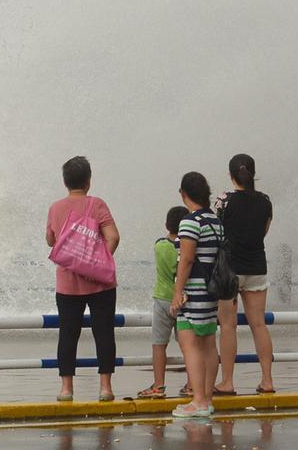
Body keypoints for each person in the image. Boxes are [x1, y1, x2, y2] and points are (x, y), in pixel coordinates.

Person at [45, 156, 120, 402]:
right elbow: (113, 237)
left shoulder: (55, 207)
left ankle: (66, 389)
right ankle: (105, 387)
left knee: (68, 333)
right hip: (101, 284)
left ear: (65, 182)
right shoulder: (97, 205)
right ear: (88, 181)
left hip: (67, 283)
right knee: (104, 333)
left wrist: (76, 257)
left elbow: (51, 240)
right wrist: (97, 261)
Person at [214, 154, 275, 395]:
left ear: (231, 175)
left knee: (228, 326)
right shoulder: (265, 201)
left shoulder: (224, 200)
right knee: (259, 324)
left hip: (229, 270)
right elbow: (263, 232)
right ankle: (267, 380)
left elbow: (217, 231)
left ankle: (227, 381)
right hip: (257, 267)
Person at [170, 172, 223, 418]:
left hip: (193, 291)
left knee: (189, 343)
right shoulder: (216, 220)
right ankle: (207, 398)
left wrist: (177, 292)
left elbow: (187, 258)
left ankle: (198, 400)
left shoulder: (190, 222)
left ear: (184, 194)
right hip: (212, 291)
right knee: (209, 343)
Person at [138, 206, 191, 399]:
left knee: (159, 344)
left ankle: (159, 385)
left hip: (162, 299)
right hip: (184, 300)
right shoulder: (188, 247)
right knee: (188, 345)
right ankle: (192, 384)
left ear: (167, 225)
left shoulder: (160, 245)